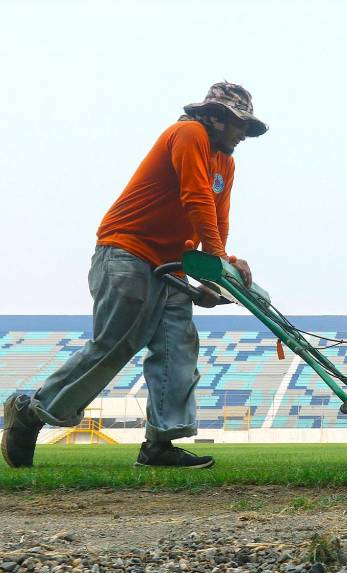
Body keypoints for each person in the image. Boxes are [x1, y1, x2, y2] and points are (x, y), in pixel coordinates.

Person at [2, 82, 267, 469]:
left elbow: (217, 218)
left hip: (170, 265)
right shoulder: (188, 133)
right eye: (238, 124)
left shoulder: (225, 162)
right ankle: (31, 412)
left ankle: (160, 445)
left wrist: (218, 271)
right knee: (116, 344)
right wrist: (216, 258)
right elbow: (194, 197)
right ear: (216, 117)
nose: (243, 133)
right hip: (127, 251)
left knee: (177, 346)